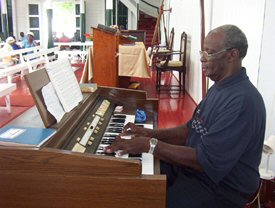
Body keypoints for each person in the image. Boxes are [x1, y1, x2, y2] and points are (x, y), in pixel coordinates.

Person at [105, 25, 266, 208]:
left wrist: (149, 145)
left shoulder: (242, 101)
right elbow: (189, 131)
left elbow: (206, 161)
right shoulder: (220, 86)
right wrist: (147, 133)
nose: (202, 58)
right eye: (202, 51)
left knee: (146, 200)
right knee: (129, 177)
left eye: (209, 53)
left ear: (232, 55)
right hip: (195, 169)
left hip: (220, 187)